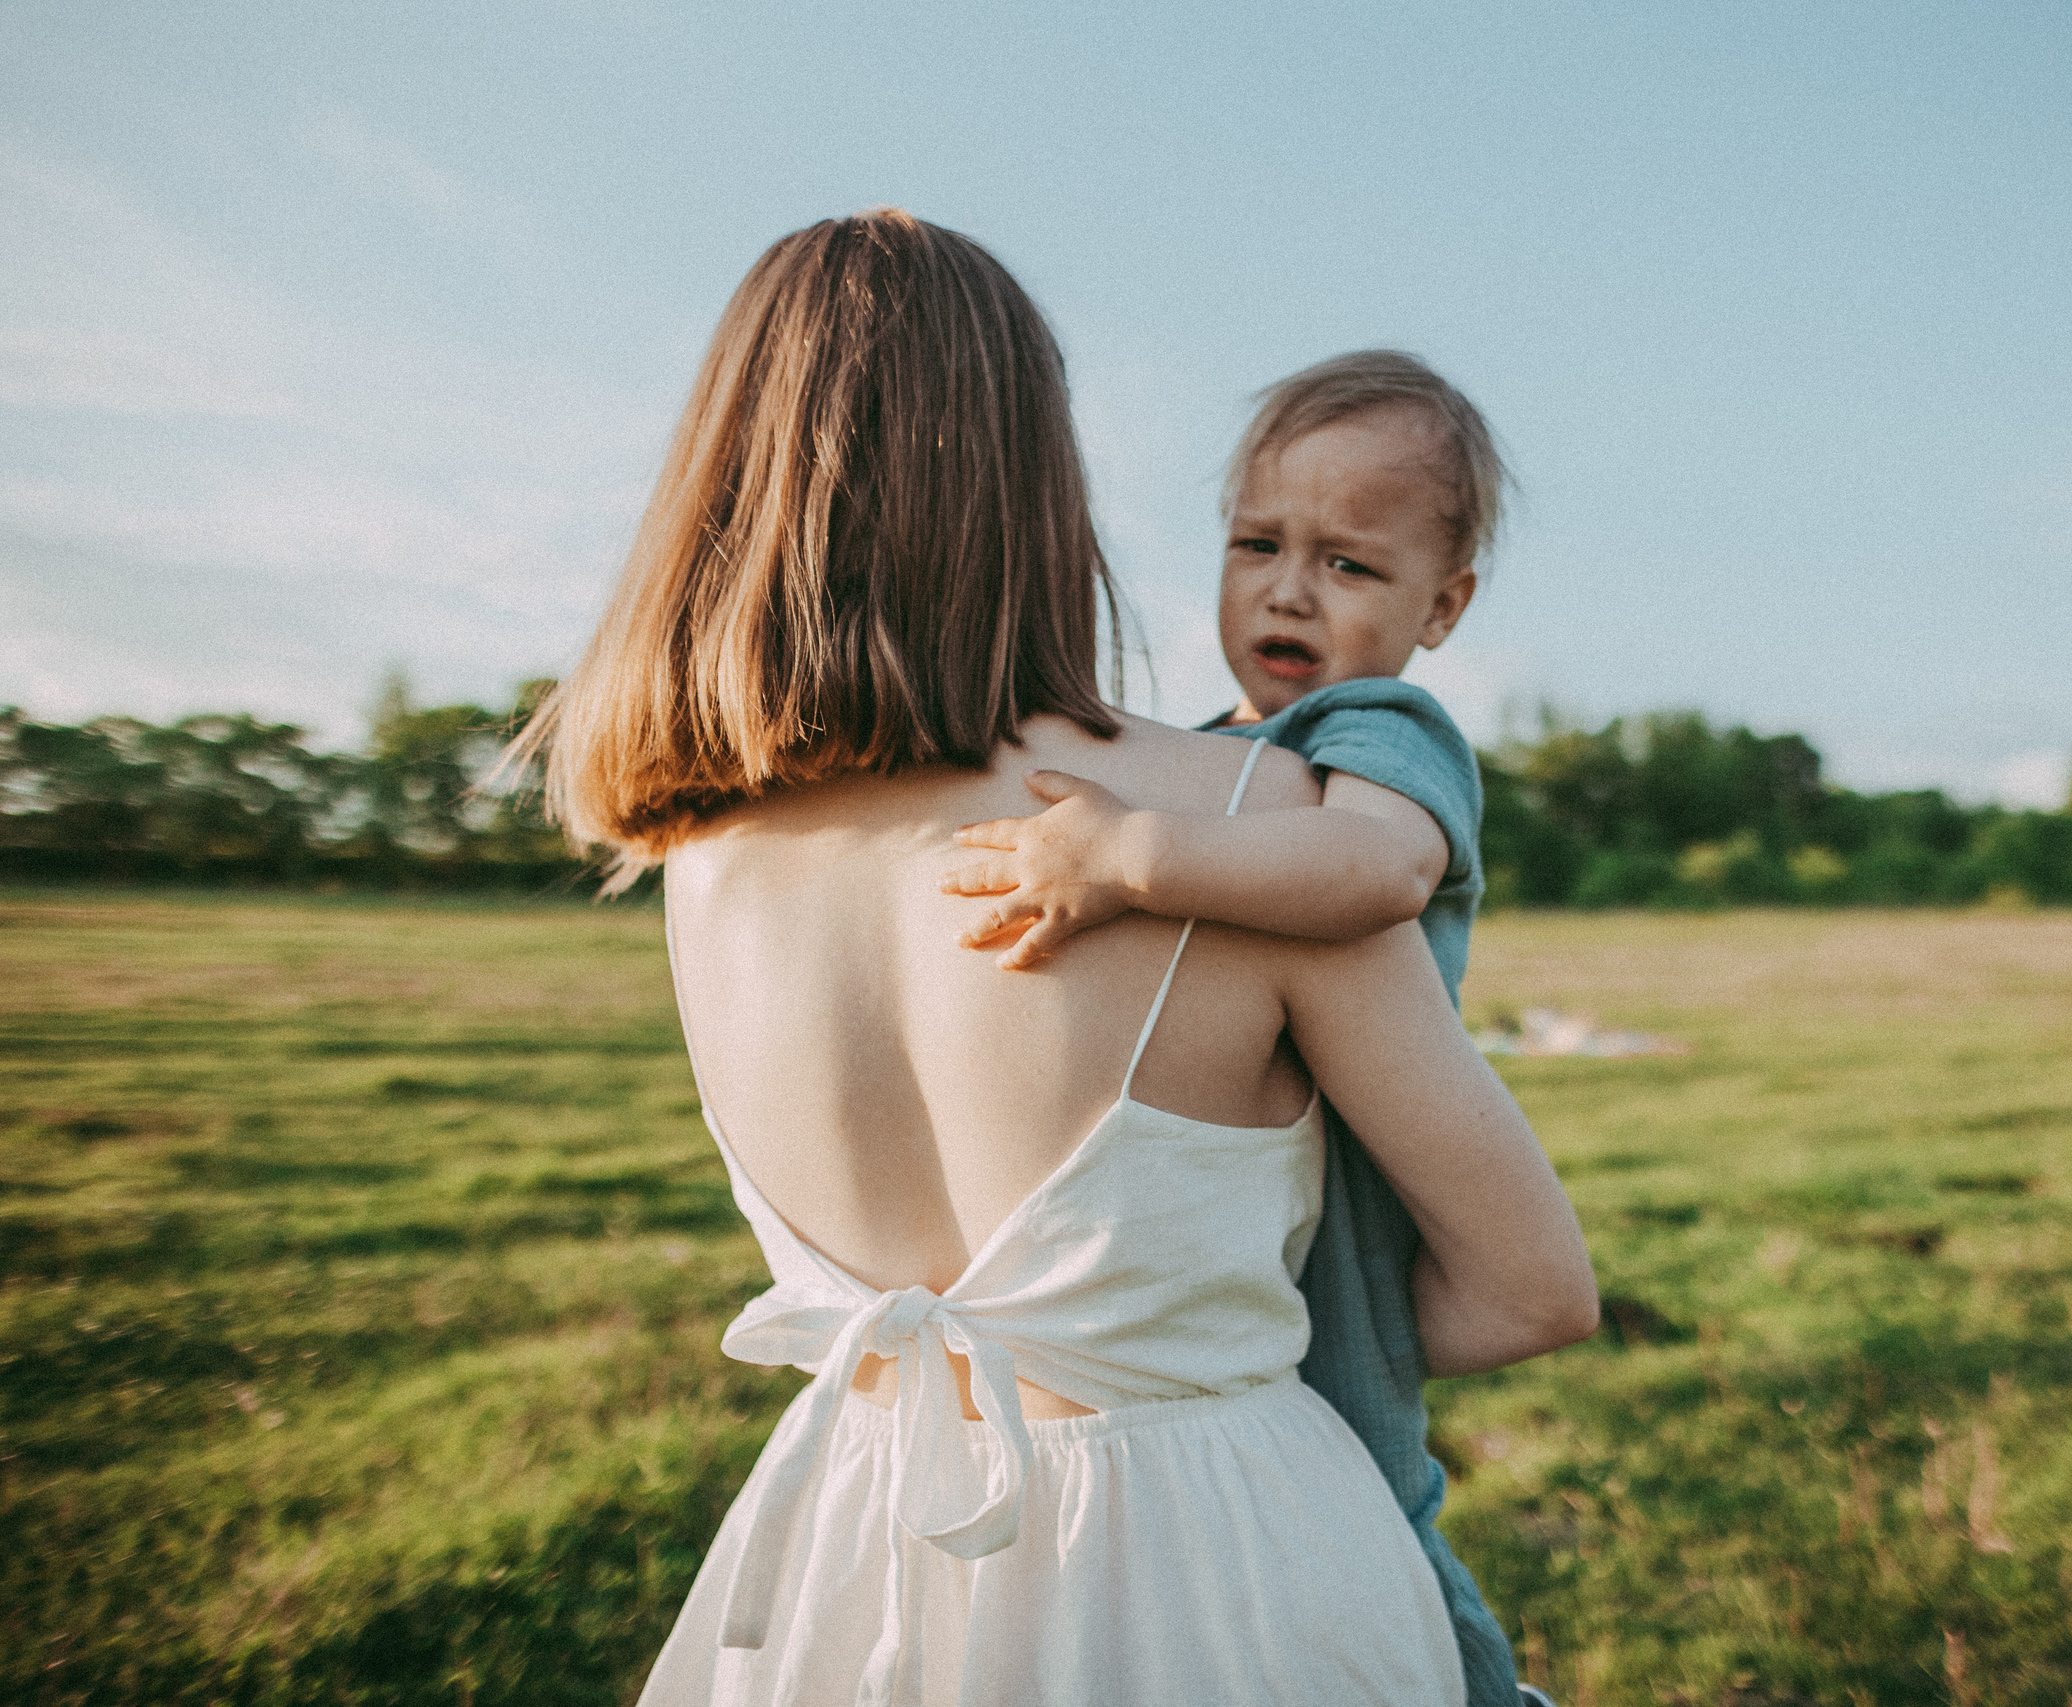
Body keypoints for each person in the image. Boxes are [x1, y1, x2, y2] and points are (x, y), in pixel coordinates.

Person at [512, 210, 1596, 1707]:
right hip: (1223, 1571)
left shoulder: (702, 862)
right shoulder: (1248, 815)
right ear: (1029, 470)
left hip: (865, 1559)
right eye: (1259, 545)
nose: (1289, 589)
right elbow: (1535, 1290)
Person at [935, 352, 1528, 1704]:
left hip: (1363, 1192)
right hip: (1246, 1182)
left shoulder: (1378, 729)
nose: (1286, 588)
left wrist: (1129, 856)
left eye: (1349, 566)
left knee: (1370, 1498)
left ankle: (1473, 1685)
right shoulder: (1215, 750)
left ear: (1443, 608)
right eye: (1258, 543)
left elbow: (1374, 876)